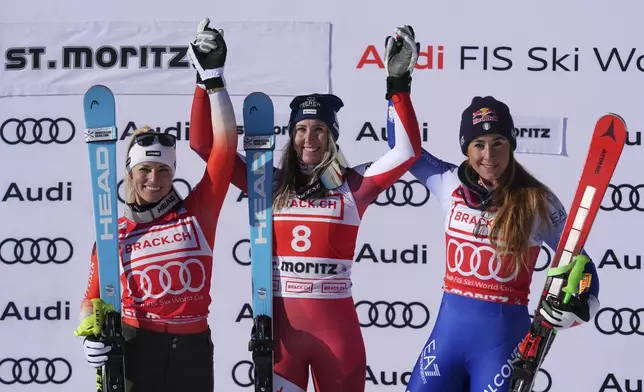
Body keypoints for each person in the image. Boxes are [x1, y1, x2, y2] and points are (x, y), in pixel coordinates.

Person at [190, 25, 423, 392]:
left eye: (319, 130)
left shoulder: (354, 186)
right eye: (301, 129)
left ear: (332, 136)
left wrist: (398, 84)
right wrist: (209, 79)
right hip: (281, 338)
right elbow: (205, 145)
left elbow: (407, 153)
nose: (309, 138)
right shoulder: (266, 181)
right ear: (291, 135)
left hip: (337, 339)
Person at [387, 96, 601, 392]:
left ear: (511, 143)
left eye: (498, 142)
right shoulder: (448, 182)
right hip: (446, 345)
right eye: (478, 144)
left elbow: (582, 262)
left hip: (500, 351)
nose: (489, 155)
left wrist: (581, 305)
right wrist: (397, 87)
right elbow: (402, 150)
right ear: (466, 149)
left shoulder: (537, 200)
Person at [74, 18, 237, 392]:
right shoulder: (113, 232)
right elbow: (90, 299)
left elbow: (225, 150)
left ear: (173, 172)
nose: (154, 179)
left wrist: (212, 81)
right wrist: (89, 336)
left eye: (163, 170)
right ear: (130, 174)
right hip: (135, 345)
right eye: (144, 169)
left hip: (192, 350)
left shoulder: (197, 212)